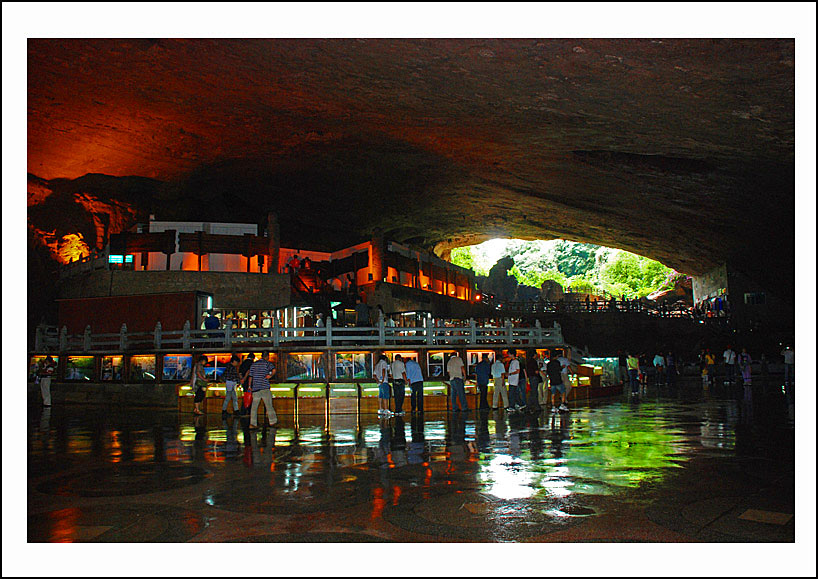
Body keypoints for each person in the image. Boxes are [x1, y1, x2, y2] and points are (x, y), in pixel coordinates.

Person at [247, 351, 278, 429]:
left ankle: (253, 424)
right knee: (269, 405)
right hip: (264, 388)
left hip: (256, 388)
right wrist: (270, 376)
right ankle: (272, 422)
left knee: (254, 407)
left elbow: (250, 376)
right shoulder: (267, 364)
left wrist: (249, 386)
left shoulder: (254, 364)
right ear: (267, 356)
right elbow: (274, 370)